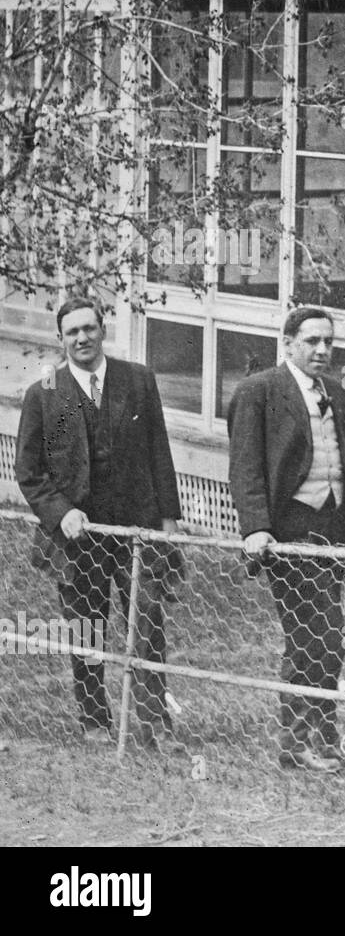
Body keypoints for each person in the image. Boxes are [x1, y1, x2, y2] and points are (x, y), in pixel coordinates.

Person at [15, 296, 185, 753]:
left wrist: (168, 520)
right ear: (60, 339)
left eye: (89, 329)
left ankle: (156, 724)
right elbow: (29, 473)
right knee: (86, 629)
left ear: (103, 329)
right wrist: (60, 512)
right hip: (79, 536)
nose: (82, 338)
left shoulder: (138, 380)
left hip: (137, 530)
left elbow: (160, 454)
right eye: (72, 332)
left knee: (147, 625)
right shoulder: (45, 395)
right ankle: (95, 719)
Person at [227, 307, 345, 773]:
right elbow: (245, 463)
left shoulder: (333, 391)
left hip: (333, 531)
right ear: (287, 343)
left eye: (329, 341)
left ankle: (322, 732)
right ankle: (296, 738)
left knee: (328, 638)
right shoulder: (260, 391)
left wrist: (336, 478)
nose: (323, 350)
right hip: (287, 533)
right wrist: (256, 527)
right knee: (312, 635)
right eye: (312, 341)